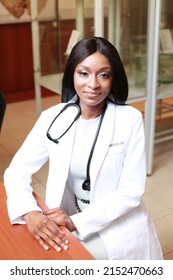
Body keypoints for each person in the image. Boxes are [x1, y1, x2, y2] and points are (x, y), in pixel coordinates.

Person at [4, 37, 163, 260]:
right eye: (84, 73)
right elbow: (16, 171)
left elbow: (131, 191)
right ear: (72, 74)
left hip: (116, 225)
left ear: (114, 78)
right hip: (67, 219)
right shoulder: (53, 118)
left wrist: (74, 222)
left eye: (104, 74)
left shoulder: (130, 119)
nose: (93, 84)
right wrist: (30, 212)